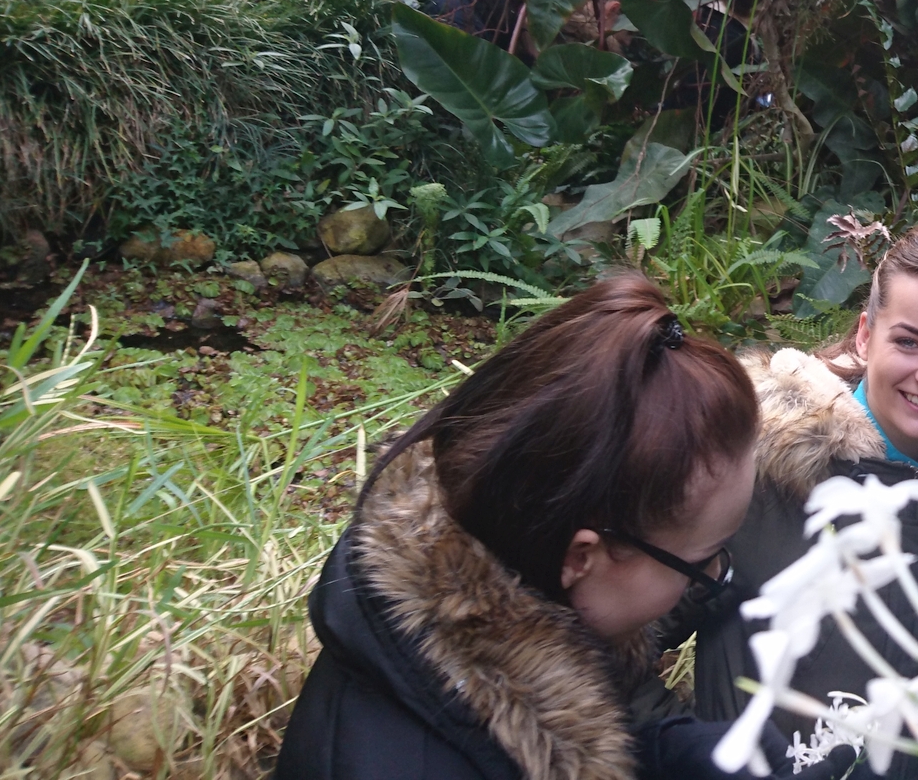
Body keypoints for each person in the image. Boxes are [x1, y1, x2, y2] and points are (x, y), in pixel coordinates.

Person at [273, 273, 851, 780]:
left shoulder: (496, 602)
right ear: (581, 557)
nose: (719, 574)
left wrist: (661, 753)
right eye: (703, 561)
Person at [679, 222, 918, 763]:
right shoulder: (756, 469)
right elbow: (612, 638)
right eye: (909, 342)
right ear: (866, 336)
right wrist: (689, 755)